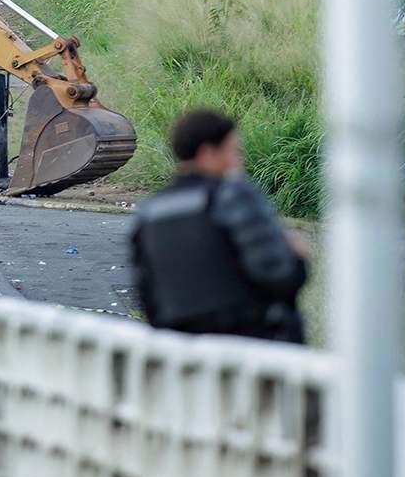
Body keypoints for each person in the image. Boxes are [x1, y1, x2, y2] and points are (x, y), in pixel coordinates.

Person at [129, 111, 308, 343]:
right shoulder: (233, 196)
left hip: (180, 354)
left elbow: (146, 293)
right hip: (249, 345)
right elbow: (278, 276)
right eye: (233, 151)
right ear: (207, 153)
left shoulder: (150, 211)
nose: (238, 161)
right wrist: (297, 257)